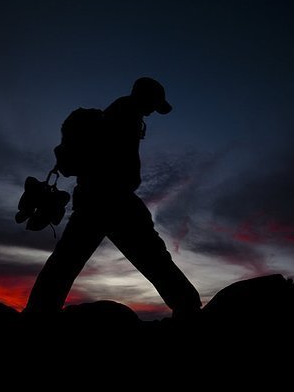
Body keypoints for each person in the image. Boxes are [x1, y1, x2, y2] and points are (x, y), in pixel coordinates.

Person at [25, 77, 202, 319]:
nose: (152, 112)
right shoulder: (126, 113)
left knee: (65, 262)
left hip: (93, 199)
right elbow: (120, 164)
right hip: (114, 200)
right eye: (154, 104)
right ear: (145, 96)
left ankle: (38, 313)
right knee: (152, 257)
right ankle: (188, 306)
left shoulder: (120, 112)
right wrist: (125, 185)